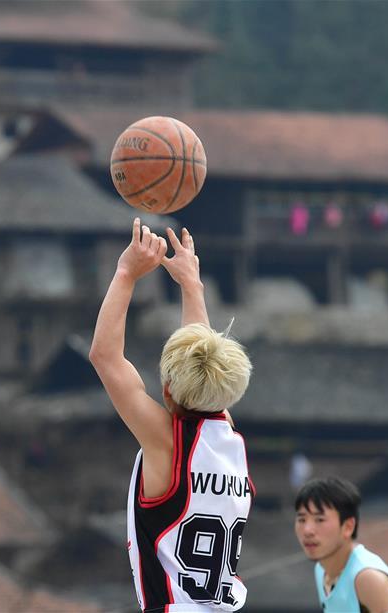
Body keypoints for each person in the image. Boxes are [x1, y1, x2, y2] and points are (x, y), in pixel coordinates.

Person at [89, 218, 254, 612]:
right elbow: (202, 363)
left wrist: (126, 273)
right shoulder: (227, 435)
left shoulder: (166, 441)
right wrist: (192, 286)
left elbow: (104, 356)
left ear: (166, 390)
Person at [294, 477, 388, 613]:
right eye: (302, 519)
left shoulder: (368, 578)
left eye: (320, 520)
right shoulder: (322, 569)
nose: (307, 530)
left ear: (348, 526)